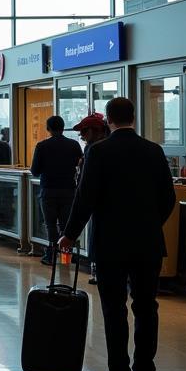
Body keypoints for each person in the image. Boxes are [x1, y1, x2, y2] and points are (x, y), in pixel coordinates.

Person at [59, 98, 175, 371]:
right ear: (133, 117)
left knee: (114, 309)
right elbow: (168, 199)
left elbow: (85, 199)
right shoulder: (154, 151)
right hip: (148, 244)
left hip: (110, 244)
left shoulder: (98, 152)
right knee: (147, 307)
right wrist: (150, 224)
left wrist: (69, 234)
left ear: (108, 119)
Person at [30, 115, 83, 266]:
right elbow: (79, 163)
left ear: (48, 129)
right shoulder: (73, 145)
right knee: (67, 223)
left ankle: (51, 255)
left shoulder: (42, 146)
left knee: (50, 224)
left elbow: (35, 171)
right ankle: (67, 255)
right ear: (63, 127)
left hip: (48, 190)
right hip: (68, 190)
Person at [72, 111, 109, 284]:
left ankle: (96, 270)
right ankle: (95, 269)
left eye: (84, 131)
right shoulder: (91, 149)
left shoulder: (96, 150)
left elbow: (86, 193)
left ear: (96, 130)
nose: (82, 136)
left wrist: (70, 234)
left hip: (103, 214)